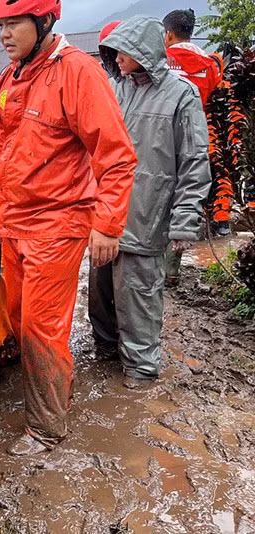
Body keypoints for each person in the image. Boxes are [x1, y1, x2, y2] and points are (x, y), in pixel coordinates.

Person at [0, 0, 137, 455]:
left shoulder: (78, 73)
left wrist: (108, 226)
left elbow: (116, 156)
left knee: (40, 326)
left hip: (58, 224)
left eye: (14, 23)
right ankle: (50, 393)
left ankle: (46, 429)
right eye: (1, 24)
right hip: (13, 224)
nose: (4, 34)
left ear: (45, 21)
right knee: (17, 318)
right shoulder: (8, 79)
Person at [92, 16, 212, 388]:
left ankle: (140, 371)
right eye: (114, 51)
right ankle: (107, 354)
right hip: (107, 215)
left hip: (149, 214)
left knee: (139, 298)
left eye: (124, 50)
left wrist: (184, 219)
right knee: (100, 296)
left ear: (144, 51)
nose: (117, 57)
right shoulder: (116, 89)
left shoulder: (181, 94)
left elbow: (195, 159)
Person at [162, 8, 228, 286]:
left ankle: (155, 269)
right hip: (199, 140)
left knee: (160, 202)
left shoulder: (162, 60)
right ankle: (172, 270)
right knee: (187, 201)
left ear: (168, 34)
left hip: (164, 139)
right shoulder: (211, 65)